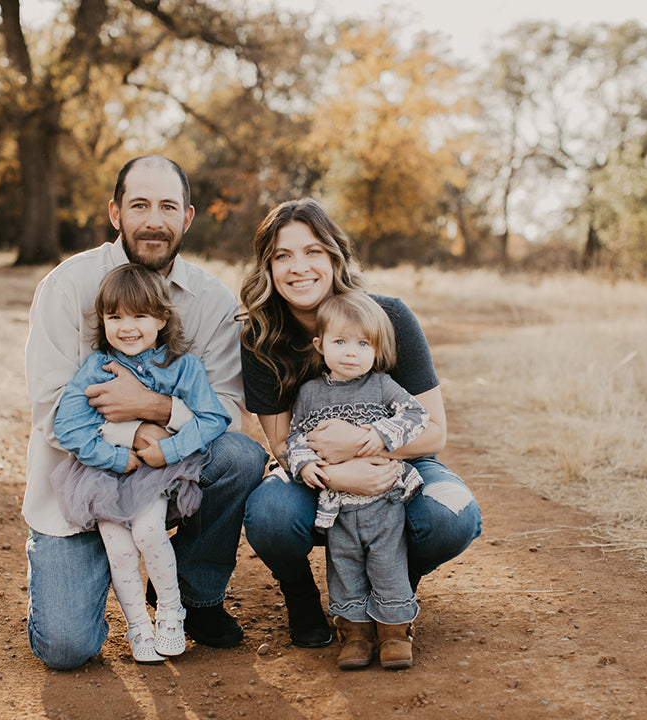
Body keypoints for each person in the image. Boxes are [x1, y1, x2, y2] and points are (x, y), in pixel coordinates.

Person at [24, 155, 267, 671]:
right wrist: (133, 433)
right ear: (116, 213)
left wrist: (152, 405)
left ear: (187, 217)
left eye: (167, 206)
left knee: (241, 456)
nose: (154, 220)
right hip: (83, 481)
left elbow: (223, 408)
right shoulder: (67, 286)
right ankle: (78, 579)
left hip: (164, 472)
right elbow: (51, 409)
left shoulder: (211, 300)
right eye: (139, 205)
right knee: (67, 648)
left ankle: (191, 597)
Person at [238, 198, 482, 658]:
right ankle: (301, 594)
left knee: (454, 516)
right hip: (317, 473)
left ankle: (392, 593)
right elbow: (282, 444)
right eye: (282, 255)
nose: (298, 267)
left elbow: (434, 433)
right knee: (270, 515)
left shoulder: (386, 315)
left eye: (312, 252)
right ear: (267, 266)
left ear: (334, 256)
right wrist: (337, 474)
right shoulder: (260, 336)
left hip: (396, 464)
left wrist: (369, 450)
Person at [51, 263, 231, 663]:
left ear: (162, 318)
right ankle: (137, 626)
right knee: (118, 546)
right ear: (102, 320)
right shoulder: (95, 369)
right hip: (105, 474)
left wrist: (168, 450)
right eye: (114, 316)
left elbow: (214, 418)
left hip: (158, 472)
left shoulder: (181, 366)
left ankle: (170, 611)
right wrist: (115, 456)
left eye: (139, 316)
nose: (126, 327)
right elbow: (69, 427)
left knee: (149, 532)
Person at [286, 291, 429, 669]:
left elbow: (417, 414)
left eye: (363, 343)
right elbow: (296, 435)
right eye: (340, 342)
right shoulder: (310, 393)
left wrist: (383, 435)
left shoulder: (382, 385)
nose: (352, 352)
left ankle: (395, 632)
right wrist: (303, 465)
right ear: (320, 346)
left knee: (387, 562)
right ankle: (356, 633)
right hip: (337, 505)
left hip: (384, 500)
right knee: (344, 564)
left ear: (377, 349)